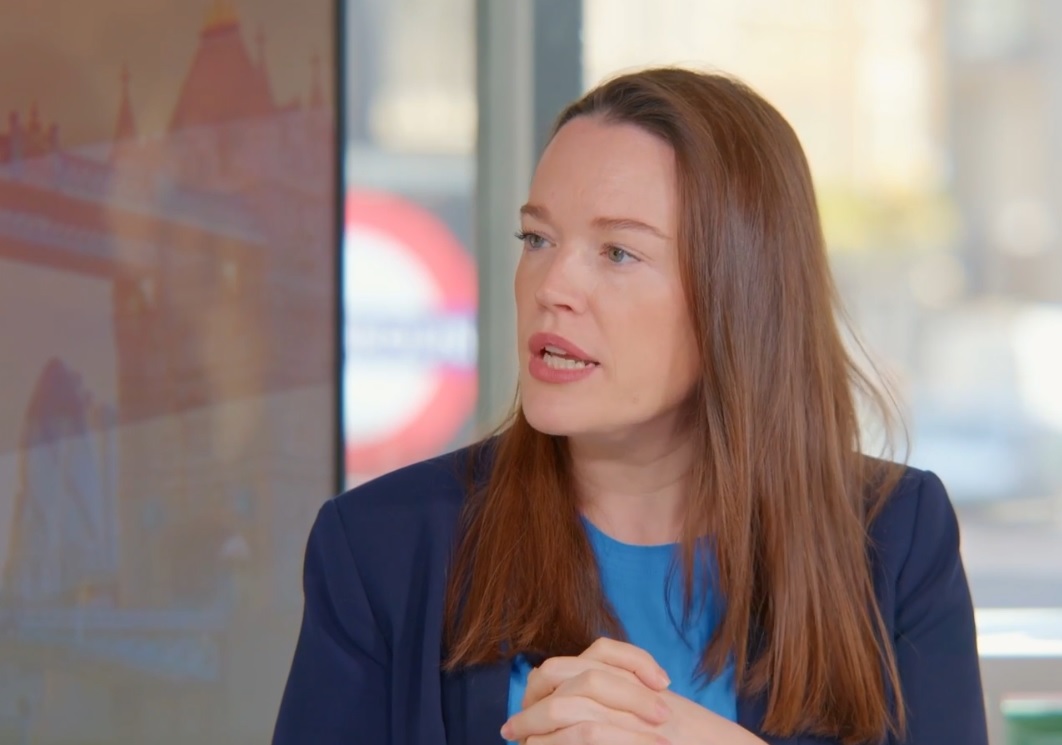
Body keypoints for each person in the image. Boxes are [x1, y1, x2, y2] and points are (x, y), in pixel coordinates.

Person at [273, 67, 988, 745]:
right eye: (537, 238)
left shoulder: (895, 538)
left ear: (740, 295)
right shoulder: (379, 547)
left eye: (617, 252)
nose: (553, 284)